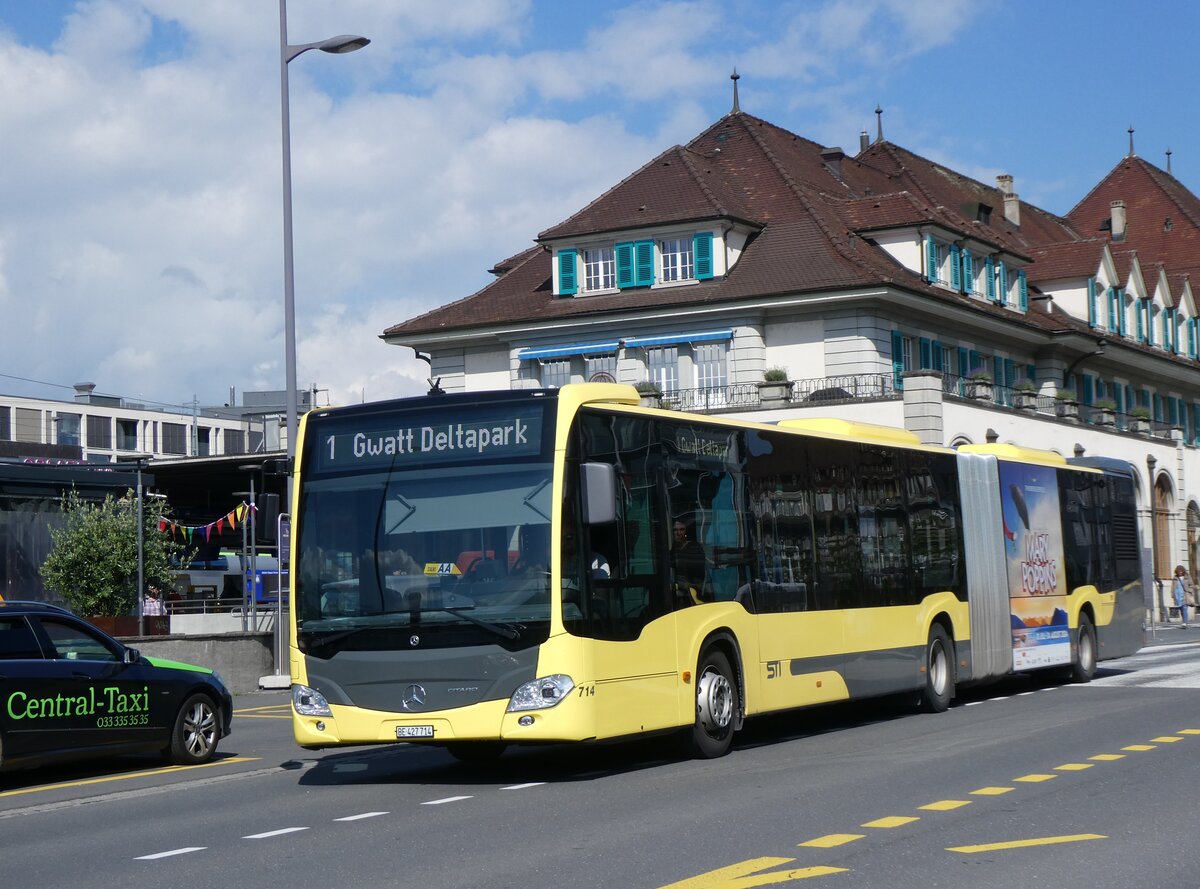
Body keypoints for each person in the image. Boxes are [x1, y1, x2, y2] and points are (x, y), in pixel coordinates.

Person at [672, 519, 707, 598]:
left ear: (686, 531)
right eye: (675, 530)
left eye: (682, 529)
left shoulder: (695, 547)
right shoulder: (673, 548)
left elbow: (699, 573)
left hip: (691, 592)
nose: (678, 533)